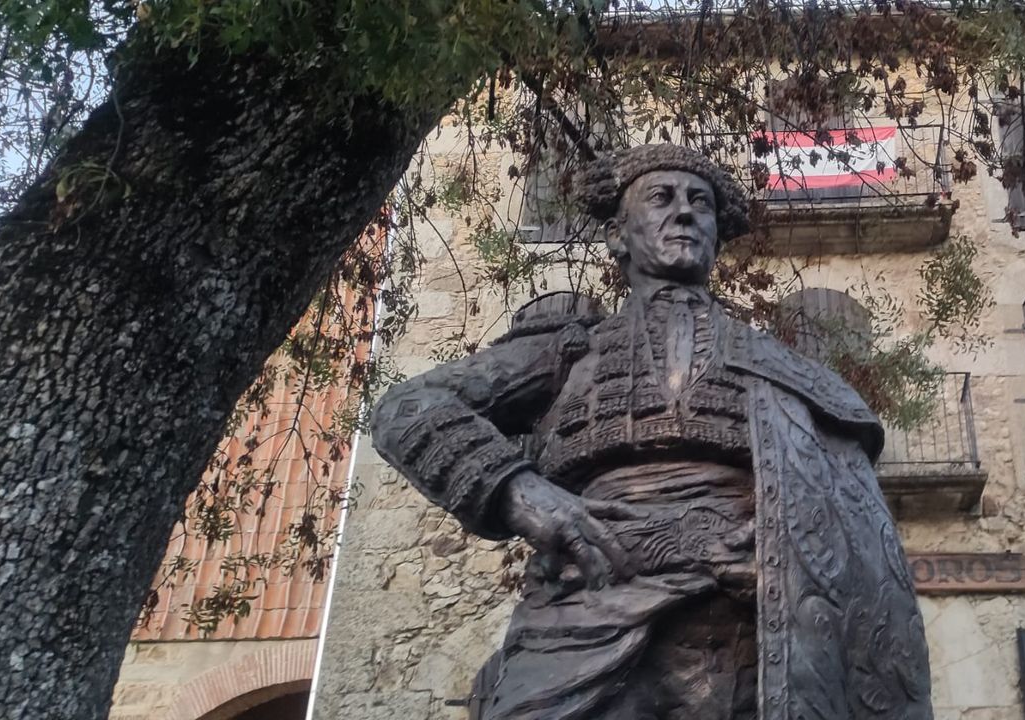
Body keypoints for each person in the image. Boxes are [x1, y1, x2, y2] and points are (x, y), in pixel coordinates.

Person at [370, 144, 931, 719]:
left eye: (700, 203)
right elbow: (408, 407)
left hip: (744, 632)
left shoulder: (785, 370)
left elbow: (846, 512)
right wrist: (521, 493)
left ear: (715, 235)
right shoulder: (570, 349)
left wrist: (784, 555)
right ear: (618, 235)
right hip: (586, 602)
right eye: (661, 198)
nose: (684, 213)